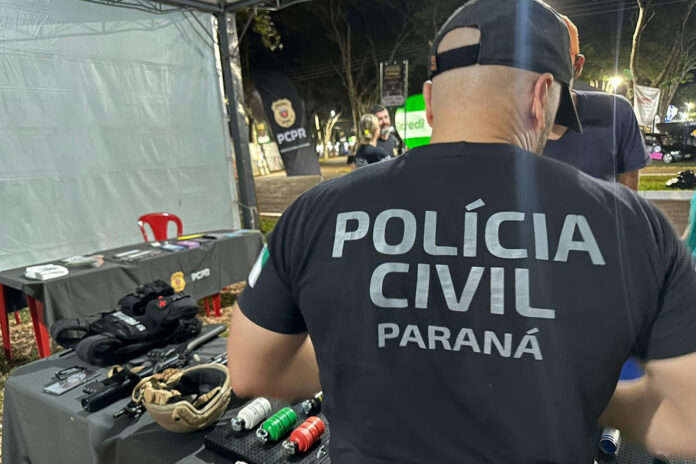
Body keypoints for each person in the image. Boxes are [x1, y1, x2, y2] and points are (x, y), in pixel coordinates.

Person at [228, 0, 696, 462]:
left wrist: (372, 359)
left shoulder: (313, 212)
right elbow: (687, 421)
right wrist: (580, 393)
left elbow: (250, 369)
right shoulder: (635, 227)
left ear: (431, 102)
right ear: (540, 97)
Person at [543, 16, 650, 190]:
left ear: (577, 66)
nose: (542, 76)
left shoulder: (616, 112)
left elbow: (628, 189)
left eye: (554, 62)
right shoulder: (500, 123)